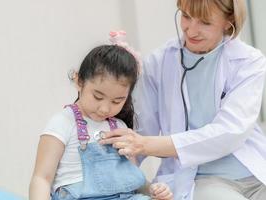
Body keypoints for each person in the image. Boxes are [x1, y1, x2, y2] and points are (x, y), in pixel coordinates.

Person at [99, 1, 266, 200]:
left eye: (204, 22)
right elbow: (141, 132)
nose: (191, 30)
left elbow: (231, 131)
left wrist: (145, 144)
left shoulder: (249, 61)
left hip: (254, 172)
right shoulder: (159, 62)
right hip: (203, 180)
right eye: (186, 16)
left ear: (228, 20)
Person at [29, 31, 173, 200]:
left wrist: (153, 191)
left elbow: (132, 179)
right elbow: (42, 178)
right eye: (98, 96)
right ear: (79, 81)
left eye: (117, 101)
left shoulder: (120, 128)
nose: (105, 109)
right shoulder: (63, 123)